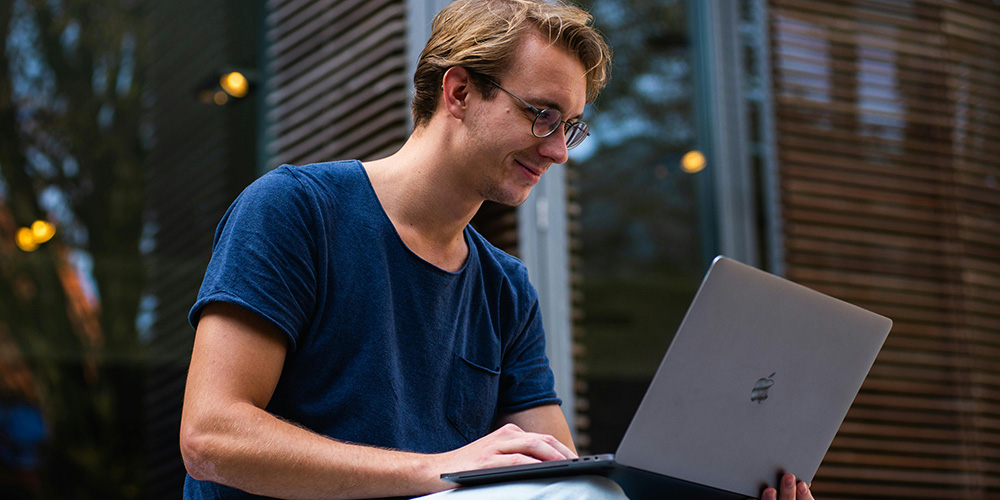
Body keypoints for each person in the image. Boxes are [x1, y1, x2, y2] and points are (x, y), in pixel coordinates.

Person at [178, 1, 816, 499]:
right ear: (458, 93)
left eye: (570, 126)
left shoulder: (505, 288)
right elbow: (211, 437)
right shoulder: (296, 209)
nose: (560, 150)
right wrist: (439, 470)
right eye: (542, 114)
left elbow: (558, 479)